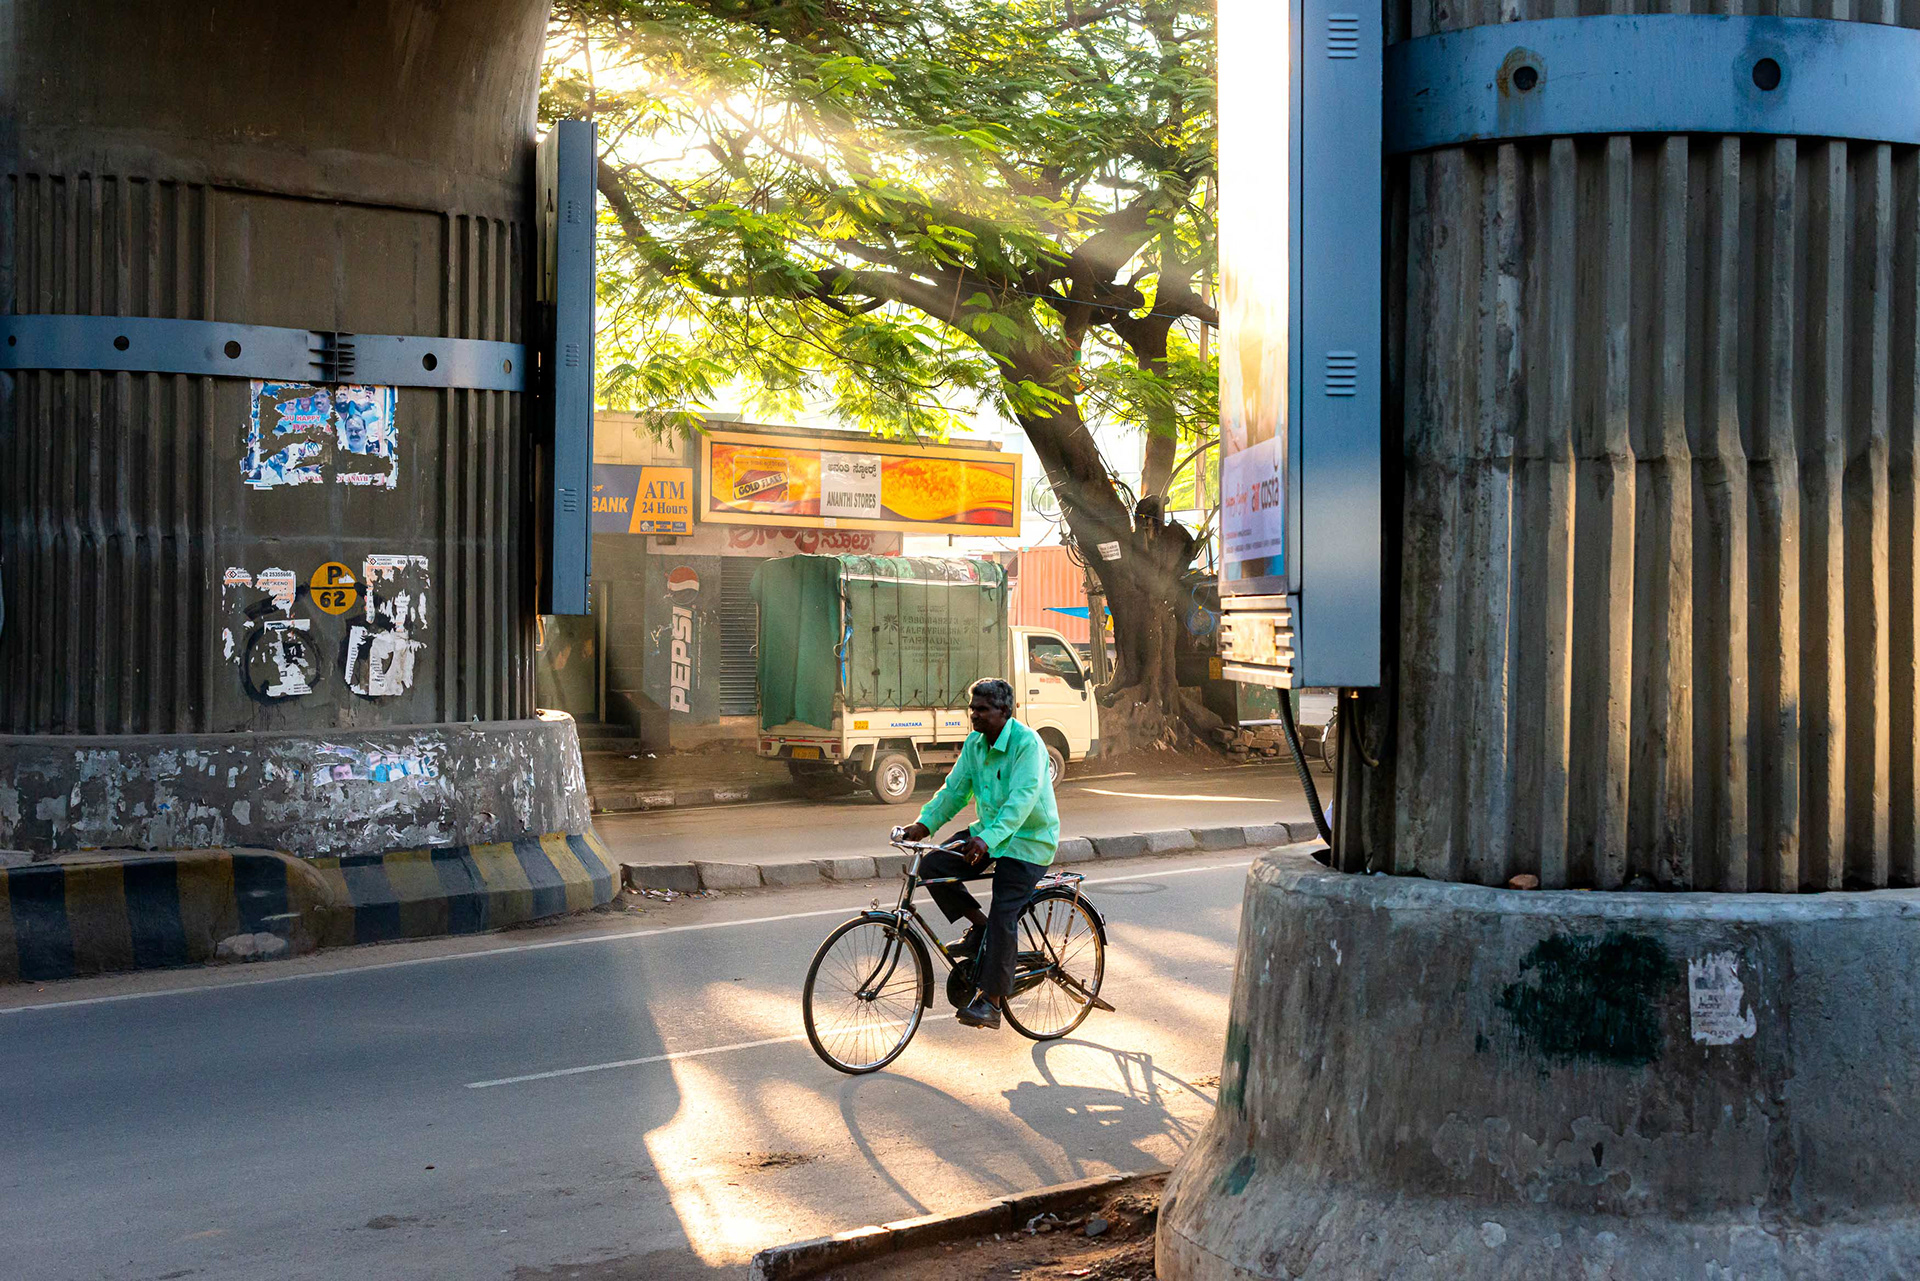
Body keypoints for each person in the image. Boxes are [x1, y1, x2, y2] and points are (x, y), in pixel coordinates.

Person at [895, 676, 1059, 1030]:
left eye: (982, 709)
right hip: (989, 833)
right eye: (972, 709)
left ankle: (992, 1002)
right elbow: (953, 791)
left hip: (1030, 840)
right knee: (934, 864)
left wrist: (987, 839)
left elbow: (1021, 801)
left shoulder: (1028, 744)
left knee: (1005, 908)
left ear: (1004, 710)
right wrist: (923, 826)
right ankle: (980, 929)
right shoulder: (975, 744)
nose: (974, 715)